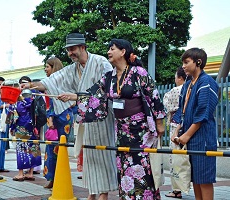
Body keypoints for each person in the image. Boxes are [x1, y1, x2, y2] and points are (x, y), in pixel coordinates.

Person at [58, 38, 166, 199]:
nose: (108, 51)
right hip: (121, 130)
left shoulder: (139, 73)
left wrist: (159, 123)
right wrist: (73, 97)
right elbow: (94, 95)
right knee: (124, 168)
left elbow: (154, 97)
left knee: (141, 166)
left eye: (112, 48)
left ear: (123, 52)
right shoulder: (109, 77)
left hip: (140, 130)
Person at [21, 33, 117, 200]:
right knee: (89, 156)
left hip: (103, 116)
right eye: (68, 50)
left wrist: (75, 97)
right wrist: (30, 85)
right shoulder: (73, 69)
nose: (70, 53)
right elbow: (53, 81)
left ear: (83, 47)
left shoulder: (100, 62)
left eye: (73, 49)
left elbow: (107, 88)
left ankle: (103, 193)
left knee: (103, 155)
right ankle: (92, 192)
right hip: (86, 119)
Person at [172, 48, 219, 200]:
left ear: (198, 62)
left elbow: (203, 113)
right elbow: (181, 110)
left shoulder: (207, 82)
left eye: (186, 62)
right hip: (190, 136)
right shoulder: (188, 84)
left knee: (204, 179)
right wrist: (177, 131)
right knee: (196, 179)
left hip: (203, 137)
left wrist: (186, 135)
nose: (183, 66)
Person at [41, 57, 74, 189]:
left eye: (47, 67)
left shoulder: (63, 83)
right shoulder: (48, 85)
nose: (45, 69)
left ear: (53, 68)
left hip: (62, 119)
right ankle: (52, 178)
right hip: (55, 118)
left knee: (59, 149)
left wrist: (50, 118)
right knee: (52, 149)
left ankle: (58, 177)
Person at [9, 76, 42, 181]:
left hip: (22, 125)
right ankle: (31, 172)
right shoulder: (36, 95)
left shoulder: (17, 97)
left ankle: (21, 173)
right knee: (33, 148)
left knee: (22, 148)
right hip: (34, 125)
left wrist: (12, 126)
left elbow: (12, 111)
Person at [163, 66, 189, 198]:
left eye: (175, 78)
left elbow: (167, 105)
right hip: (189, 127)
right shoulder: (192, 88)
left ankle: (177, 190)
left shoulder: (176, 90)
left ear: (180, 78)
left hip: (176, 127)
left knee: (176, 158)